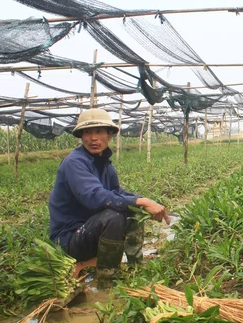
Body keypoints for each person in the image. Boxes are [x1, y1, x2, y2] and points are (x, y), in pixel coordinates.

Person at [49, 108, 170, 286]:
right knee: (113, 216)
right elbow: (95, 197)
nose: (93, 138)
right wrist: (142, 201)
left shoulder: (104, 163)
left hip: (88, 229)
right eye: (88, 132)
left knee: (131, 209)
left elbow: (117, 192)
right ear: (81, 136)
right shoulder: (75, 163)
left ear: (109, 135)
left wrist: (144, 202)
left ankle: (134, 266)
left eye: (99, 132)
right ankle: (106, 278)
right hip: (70, 238)